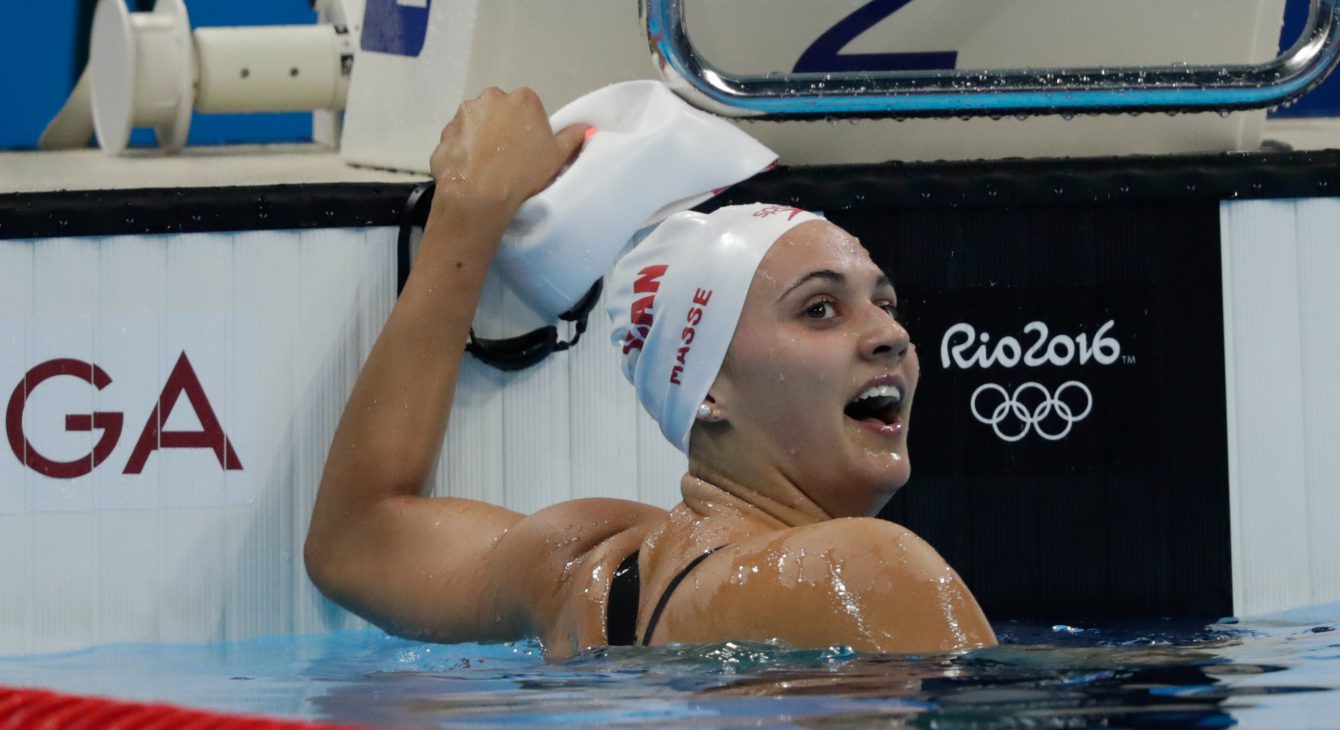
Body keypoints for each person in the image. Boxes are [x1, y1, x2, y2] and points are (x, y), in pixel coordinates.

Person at [304, 87, 995, 661]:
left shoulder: (589, 573)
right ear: (709, 392)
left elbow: (356, 540)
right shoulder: (869, 568)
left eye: (885, 303)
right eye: (820, 309)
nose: (892, 337)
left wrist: (467, 212)